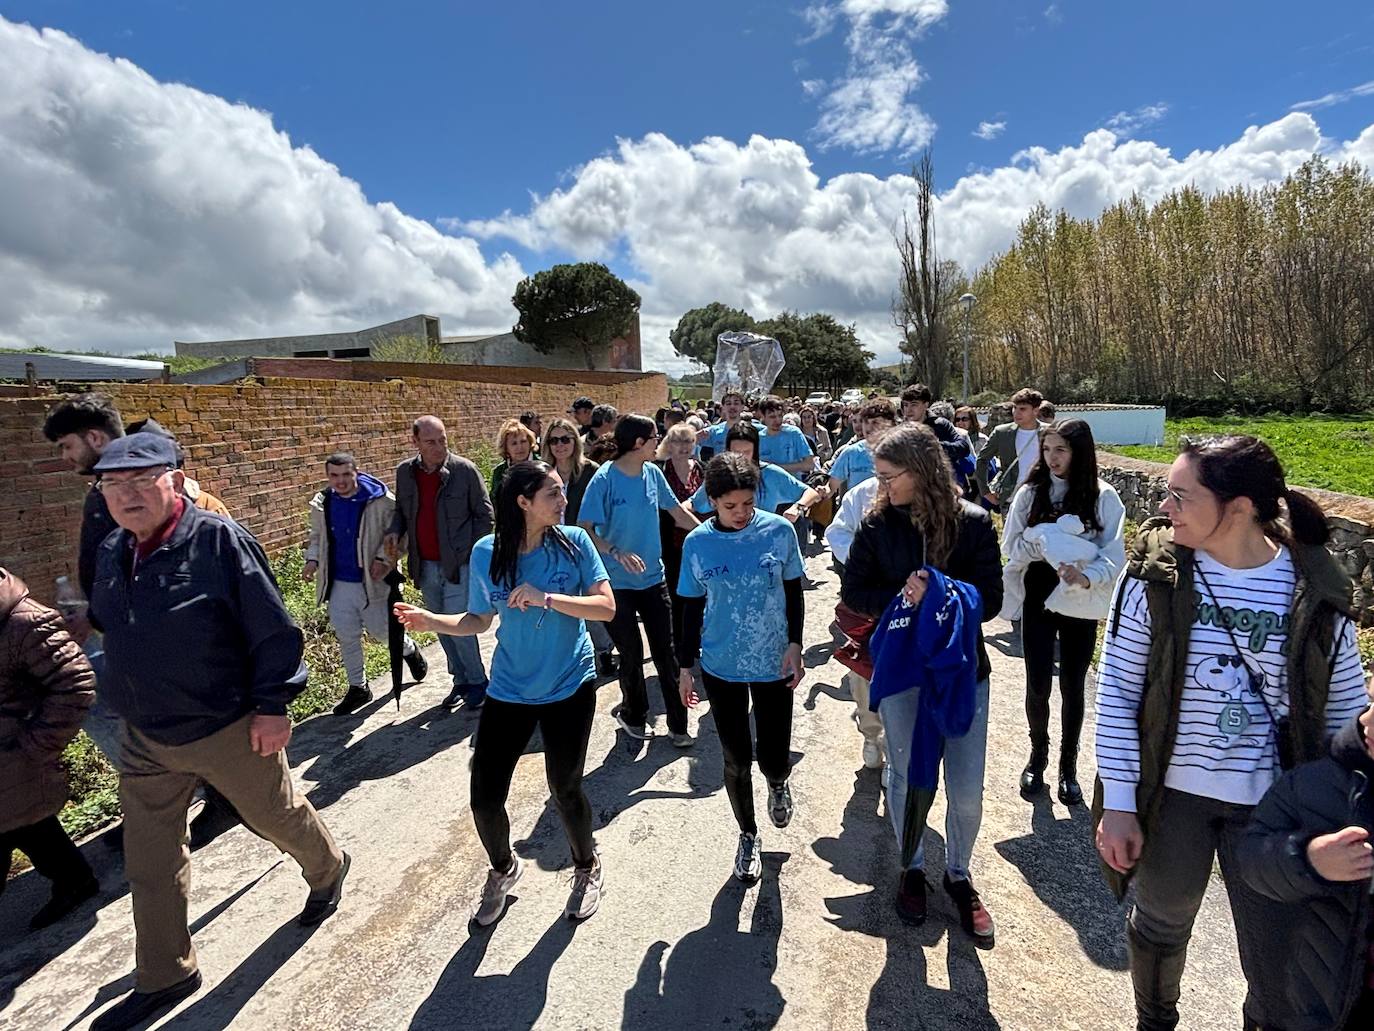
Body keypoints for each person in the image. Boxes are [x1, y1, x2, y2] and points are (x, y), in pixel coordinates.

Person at [1093, 435, 1369, 1031]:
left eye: (1181, 495)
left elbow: (1349, 712)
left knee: (1273, 956)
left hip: (1274, 810)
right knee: (1160, 922)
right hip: (1173, 800)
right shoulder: (1153, 576)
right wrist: (1119, 804)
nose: (1166, 508)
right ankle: (1154, 1020)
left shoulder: (1313, 586)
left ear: (1239, 506)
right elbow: (1117, 693)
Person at [87, 433, 348, 1031]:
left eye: (139, 481)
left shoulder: (217, 540)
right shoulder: (111, 549)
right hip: (146, 736)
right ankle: (166, 972)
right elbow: (113, 624)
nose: (125, 495)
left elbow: (273, 629)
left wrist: (273, 706)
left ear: (174, 480)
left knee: (276, 816)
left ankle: (329, 867)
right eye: (111, 485)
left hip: (226, 724)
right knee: (149, 862)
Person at [395, 461, 615, 926]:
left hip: (568, 684)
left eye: (561, 491)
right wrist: (431, 620)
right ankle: (503, 868)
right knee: (484, 798)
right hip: (510, 689)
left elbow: (606, 608)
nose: (563, 501)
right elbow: (479, 619)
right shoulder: (486, 552)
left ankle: (586, 865)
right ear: (523, 503)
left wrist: (547, 598)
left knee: (565, 788)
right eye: (552, 494)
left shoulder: (574, 543)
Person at [840, 424, 1002, 946]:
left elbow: (993, 600)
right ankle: (911, 867)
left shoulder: (974, 523)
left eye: (890, 477)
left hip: (962, 675)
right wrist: (902, 596)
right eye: (879, 477)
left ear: (923, 470)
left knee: (968, 790)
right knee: (907, 776)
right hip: (904, 673)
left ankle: (958, 873)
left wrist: (943, 591)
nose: (881, 487)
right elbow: (854, 592)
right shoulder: (876, 526)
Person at [678, 454, 805, 883]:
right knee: (735, 758)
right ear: (711, 500)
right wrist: (684, 666)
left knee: (773, 755)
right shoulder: (696, 543)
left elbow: (793, 592)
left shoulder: (779, 531)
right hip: (721, 665)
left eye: (748, 504)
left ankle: (778, 781)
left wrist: (795, 644)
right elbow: (689, 607)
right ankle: (748, 834)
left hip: (773, 662)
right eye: (731, 506)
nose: (741, 514)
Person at [1000, 420, 1125, 805]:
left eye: (1061, 450)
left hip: (1080, 598)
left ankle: (1068, 767)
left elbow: (1115, 555)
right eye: (1048, 449)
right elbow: (1011, 543)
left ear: (1080, 452)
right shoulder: (1031, 493)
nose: (1052, 458)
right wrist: (1036, 548)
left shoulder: (1103, 497)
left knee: (1073, 684)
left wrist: (1087, 577)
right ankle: (1037, 755)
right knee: (1037, 681)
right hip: (1039, 592)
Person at [1236, 702, 1374, 1031]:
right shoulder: (1319, 782)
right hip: (1310, 1003)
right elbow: (1252, 856)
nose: (1369, 725)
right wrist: (1308, 859)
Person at [578, 414, 700, 743]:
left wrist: (709, 535)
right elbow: (585, 530)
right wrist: (615, 551)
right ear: (638, 443)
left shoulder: (652, 474)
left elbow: (676, 513)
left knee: (666, 653)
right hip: (615, 584)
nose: (659, 442)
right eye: (654, 437)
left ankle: (678, 725)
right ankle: (634, 715)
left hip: (653, 580)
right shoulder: (604, 478)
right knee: (630, 653)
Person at [0, 566, 97, 931]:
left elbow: (75, 683)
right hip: (11, 770)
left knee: (24, 822)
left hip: (14, 756)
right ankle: (76, 880)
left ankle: (76, 881)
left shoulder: (24, 622)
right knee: (25, 826)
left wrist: (36, 745)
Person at [303, 452, 427, 715]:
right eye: (334, 476)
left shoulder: (381, 501)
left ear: (356, 472)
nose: (341, 481)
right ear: (328, 477)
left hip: (373, 582)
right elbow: (316, 537)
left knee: (383, 633)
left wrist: (384, 560)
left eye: (346, 474)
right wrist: (312, 561)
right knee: (347, 636)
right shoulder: (323, 503)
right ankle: (358, 687)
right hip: (339, 583)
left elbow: (399, 535)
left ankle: (409, 649)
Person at [388, 416, 494, 711]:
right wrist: (395, 531)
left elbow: (485, 517)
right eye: (430, 442)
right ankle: (459, 680)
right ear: (415, 443)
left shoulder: (464, 471)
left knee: (459, 623)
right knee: (438, 625)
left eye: (442, 440)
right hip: (425, 564)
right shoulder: (405, 473)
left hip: (459, 564)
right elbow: (402, 511)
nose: (438, 447)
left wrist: (473, 554)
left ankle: (477, 682)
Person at [544, 416, 617, 676]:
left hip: (585, 543)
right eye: (554, 440)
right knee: (565, 600)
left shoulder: (591, 471)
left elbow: (606, 508)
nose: (560, 445)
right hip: (550, 544)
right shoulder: (541, 472)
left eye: (565, 439)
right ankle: (585, 650)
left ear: (575, 441)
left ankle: (603, 648)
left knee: (589, 599)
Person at [687, 422, 827, 523]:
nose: (741, 457)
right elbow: (693, 504)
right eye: (736, 452)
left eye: (746, 452)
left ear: (756, 450)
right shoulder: (718, 475)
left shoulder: (769, 473)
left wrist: (797, 507)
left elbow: (810, 492)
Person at [656, 423, 705, 652]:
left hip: (700, 539)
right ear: (669, 444)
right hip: (671, 542)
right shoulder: (660, 470)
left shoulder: (701, 469)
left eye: (688, 441)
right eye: (678, 441)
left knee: (701, 590)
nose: (684, 446)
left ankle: (697, 639)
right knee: (677, 593)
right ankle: (681, 642)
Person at [975, 388, 1044, 510]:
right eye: (1014, 408)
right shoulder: (1002, 432)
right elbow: (982, 459)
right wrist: (985, 491)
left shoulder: (1050, 432)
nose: (1016, 413)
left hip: (1043, 498)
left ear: (1035, 410)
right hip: (1010, 499)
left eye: (1022, 409)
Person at [828, 399, 897, 496]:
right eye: (866, 422)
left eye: (875, 423)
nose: (868, 428)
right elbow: (830, 487)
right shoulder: (851, 453)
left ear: (890, 424)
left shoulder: (902, 453)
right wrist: (823, 490)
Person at [756, 396, 814, 477]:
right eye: (772, 417)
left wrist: (778, 468)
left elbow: (809, 464)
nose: (778, 420)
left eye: (780, 415)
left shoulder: (793, 433)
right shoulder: (759, 438)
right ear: (762, 416)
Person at [490, 418, 538, 501]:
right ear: (506, 447)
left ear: (530, 442)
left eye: (523, 441)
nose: (520, 447)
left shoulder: (542, 466)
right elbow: (494, 502)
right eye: (514, 443)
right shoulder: (499, 472)